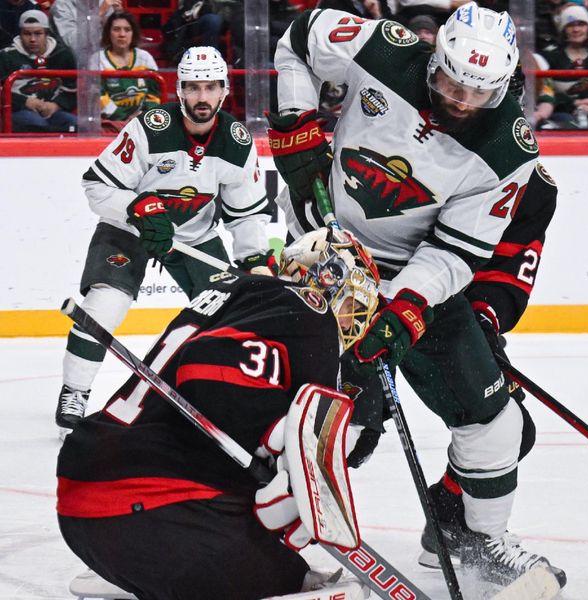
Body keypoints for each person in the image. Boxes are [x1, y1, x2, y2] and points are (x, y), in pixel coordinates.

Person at [271, 1, 566, 593]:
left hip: (413, 272)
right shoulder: (383, 47)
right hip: (325, 252)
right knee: (336, 416)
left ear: (505, 85)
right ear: (433, 59)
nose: (459, 102)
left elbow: (457, 253)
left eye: (476, 95)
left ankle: (471, 542)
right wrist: (294, 121)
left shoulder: (510, 153)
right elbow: (300, 39)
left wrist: (405, 309)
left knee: (497, 423)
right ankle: (266, 525)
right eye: (451, 83)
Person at [57, 229, 380, 600]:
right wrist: (266, 441)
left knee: (275, 552)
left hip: (86, 502)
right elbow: (208, 366)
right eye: (352, 302)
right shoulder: (310, 308)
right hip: (155, 504)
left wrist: (259, 467)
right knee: (287, 579)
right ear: (325, 278)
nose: (353, 318)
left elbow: (207, 381)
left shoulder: (231, 294)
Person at [56, 46, 272, 438]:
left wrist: (254, 257)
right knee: (105, 303)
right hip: (129, 231)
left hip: (195, 237)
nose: (202, 97)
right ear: (179, 89)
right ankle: (75, 390)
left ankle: (219, 398)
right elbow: (96, 186)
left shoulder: (238, 144)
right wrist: (140, 207)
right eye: (193, 87)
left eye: (210, 87)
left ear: (224, 91)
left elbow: (248, 214)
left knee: (229, 317)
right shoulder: (149, 127)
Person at [419, 158, 560, 575]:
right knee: (348, 430)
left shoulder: (534, 186)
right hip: (381, 297)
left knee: (510, 429)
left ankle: (450, 524)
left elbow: (512, 266)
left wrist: (485, 316)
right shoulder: (419, 144)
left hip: (449, 316)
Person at [0, 9, 77, 133]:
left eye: (38, 33)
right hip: (19, 110)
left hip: (54, 110)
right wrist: (25, 102)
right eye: (27, 34)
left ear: (47, 34)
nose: (32, 39)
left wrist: (57, 105)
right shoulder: (7, 56)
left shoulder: (63, 55)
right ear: (20, 34)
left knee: (75, 124)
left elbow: (73, 89)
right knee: (36, 125)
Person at [541, 4, 588, 129]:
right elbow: (544, 90)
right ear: (563, 30)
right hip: (560, 111)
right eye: (570, 25)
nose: (576, 29)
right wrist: (574, 103)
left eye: (581, 24)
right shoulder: (550, 55)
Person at [89, 11, 160, 132]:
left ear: (133, 33)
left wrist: (142, 116)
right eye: (116, 29)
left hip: (142, 120)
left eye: (127, 30)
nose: (122, 34)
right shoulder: (97, 59)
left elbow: (154, 97)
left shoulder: (145, 57)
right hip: (111, 122)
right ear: (108, 33)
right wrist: (125, 118)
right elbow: (98, 98)